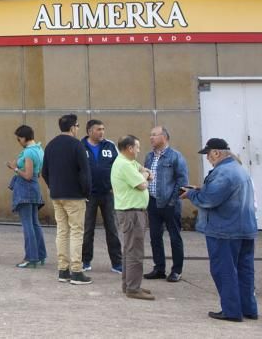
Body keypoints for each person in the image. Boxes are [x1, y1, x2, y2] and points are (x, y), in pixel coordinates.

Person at [181, 138, 259, 322]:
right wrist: (201, 189)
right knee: (245, 271)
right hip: (245, 229)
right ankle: (249, 309)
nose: (208, 158)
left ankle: (231, 311)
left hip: (225, 230)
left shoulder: (223, 172)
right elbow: (222, 193)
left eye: (208, 154)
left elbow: (210, 199)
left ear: (216, 153)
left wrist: (192, 193)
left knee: (224, 271)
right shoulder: (238, 169)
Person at [41, 113, 92, 285]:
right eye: (77, 126)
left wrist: (53, 186)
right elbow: (85, 172)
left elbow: (44, 171)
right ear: (72, 127)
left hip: (57, 195)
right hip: (75, 196)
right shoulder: (77, 145)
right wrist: (86, 192)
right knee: (76, 232)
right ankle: (76, 271)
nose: (78, 129)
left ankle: (63, 270)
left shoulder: (51, 145)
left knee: (62, 232)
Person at [144, 126, 188, 283]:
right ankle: (159, 268)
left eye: (154, 135)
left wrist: (172, 201)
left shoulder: (175, 156)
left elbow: (182, 181)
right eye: (150, 135)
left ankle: (177, 270)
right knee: (155, 237)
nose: (151, 138)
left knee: (174, 237)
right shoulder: (149, 157)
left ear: (164, 137)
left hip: (170, 204)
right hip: (153, 203)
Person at [111, 135, 153, 300]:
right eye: (137, 147)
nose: (139, 150)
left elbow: (147, 172)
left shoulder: (129, 163)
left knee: (130, 249)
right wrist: (144, 176)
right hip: (131, 212)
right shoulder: (124, 164)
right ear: (129, 148)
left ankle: (129, 284)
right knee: (134, 251)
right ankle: (133, 288)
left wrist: (144, 174)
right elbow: (142, 184)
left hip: (134, 211)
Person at [81, 119, 123, 273]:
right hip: (88, 196)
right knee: (87, 229)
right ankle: (85, 261)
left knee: (112, 229)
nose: (102, 132)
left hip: (107, 194)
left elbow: (120, 166)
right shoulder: (80, 147)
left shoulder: (110, 146)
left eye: (103, 129)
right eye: (98, 129)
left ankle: (117, 263)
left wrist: (116, 188)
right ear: (90, 131)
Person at [6, 124, 46, 268]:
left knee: (28, 225)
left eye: (18, 139)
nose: (19, 142)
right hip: (35, 188)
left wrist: (15, 168)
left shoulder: (28, 152)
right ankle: (40, 255)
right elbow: (38, 173)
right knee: (35, 223)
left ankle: (31, 257)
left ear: (23, 137)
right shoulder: (39, 149)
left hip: (25, 189)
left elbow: (27, 175)